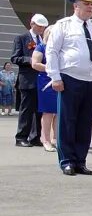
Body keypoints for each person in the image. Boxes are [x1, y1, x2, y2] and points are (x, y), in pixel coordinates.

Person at [46, 0, 92, 176]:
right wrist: (55, 76)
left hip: (91, 81)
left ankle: (80, 160)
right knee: (67, 121)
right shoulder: (63, 25)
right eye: (86, 3)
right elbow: (52, 51)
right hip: (69, 79)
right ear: (76, 5)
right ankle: (66, 160)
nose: (90, 7)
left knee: (84, 123)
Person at [11, 13, 48, 147]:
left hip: (41, 80)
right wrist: (31, 60)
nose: (41, 29)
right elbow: (15, 58)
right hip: (27, 79)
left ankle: (35, 137)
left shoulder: (42, 40)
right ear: (32, 24)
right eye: (39, 26)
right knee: (26, 109)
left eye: (43, 27)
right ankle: (21, 137)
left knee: (39, 110)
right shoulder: (21, 38)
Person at [31, 26, 58, 151]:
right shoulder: (41, 47)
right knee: (48, 112)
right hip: (46, 82)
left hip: (60, 81)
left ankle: (56, 139)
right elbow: (35, 64)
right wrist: (50, 67)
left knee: (59, 112)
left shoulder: (60, 49)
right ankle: (46, 140)